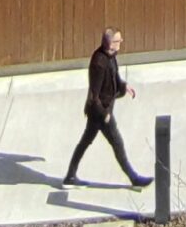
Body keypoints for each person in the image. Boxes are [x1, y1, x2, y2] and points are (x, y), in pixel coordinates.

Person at [63, 29, 151, 189]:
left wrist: (124, 86)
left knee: (85, 142)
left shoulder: (111, 57)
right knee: (117, 143)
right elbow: (94, 95)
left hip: (103, 110)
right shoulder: (99, 63)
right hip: (100, 112)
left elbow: (115, 77)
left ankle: (70, 176)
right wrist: (105, 115)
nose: (121, 42)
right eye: (118, 40)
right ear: (111, 44)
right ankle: (134, 179)